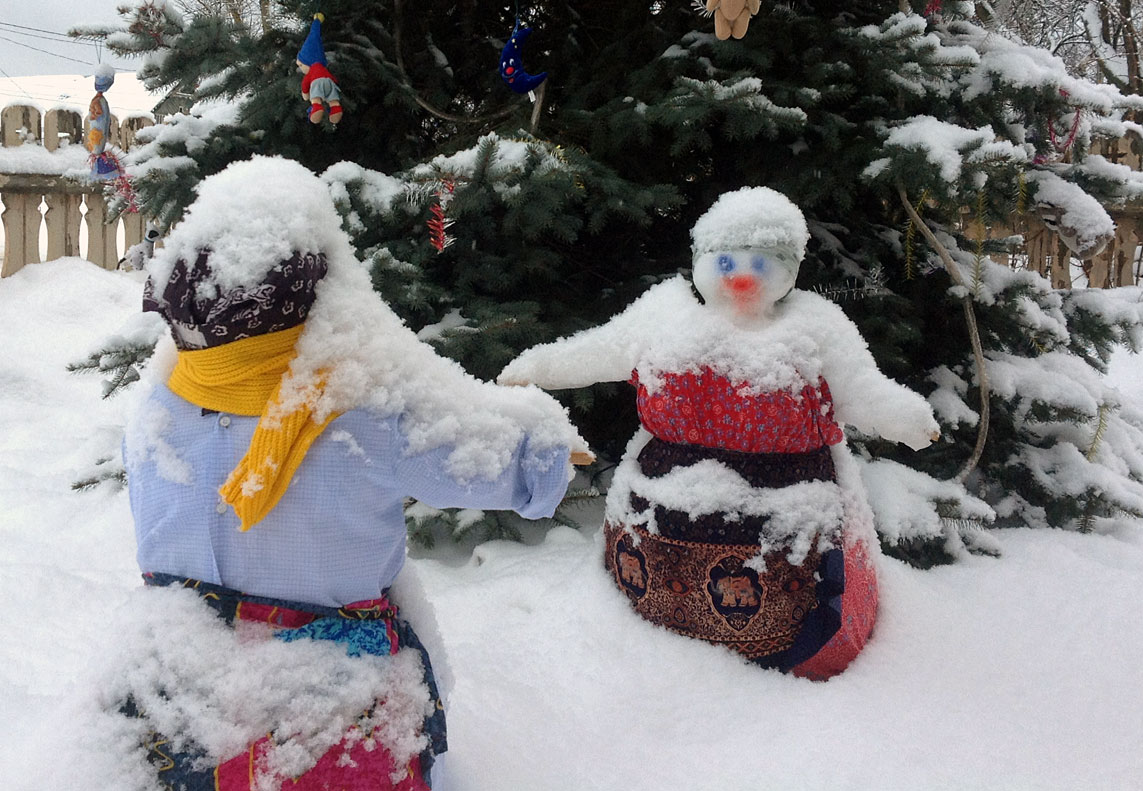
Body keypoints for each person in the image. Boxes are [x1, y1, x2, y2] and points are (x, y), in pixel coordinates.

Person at [122, 156, 586, 789]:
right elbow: (482, 461)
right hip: (326, 688)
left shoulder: (157, 405)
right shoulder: (362, 411)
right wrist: (547, 453)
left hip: (177, 674)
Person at [500, 187, 939, 679]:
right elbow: (597, 351)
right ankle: (655, 658)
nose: (742, 277)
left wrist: (903, 418)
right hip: (659, 512)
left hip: (789, 510)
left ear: (790, 269)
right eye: (725, 261)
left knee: (801, 611)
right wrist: (537, 368)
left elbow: (860, 389)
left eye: (762, 263)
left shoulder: (815, 327)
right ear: (702, 262)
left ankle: (773, 677)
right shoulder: (665, 316)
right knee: (647, 645)